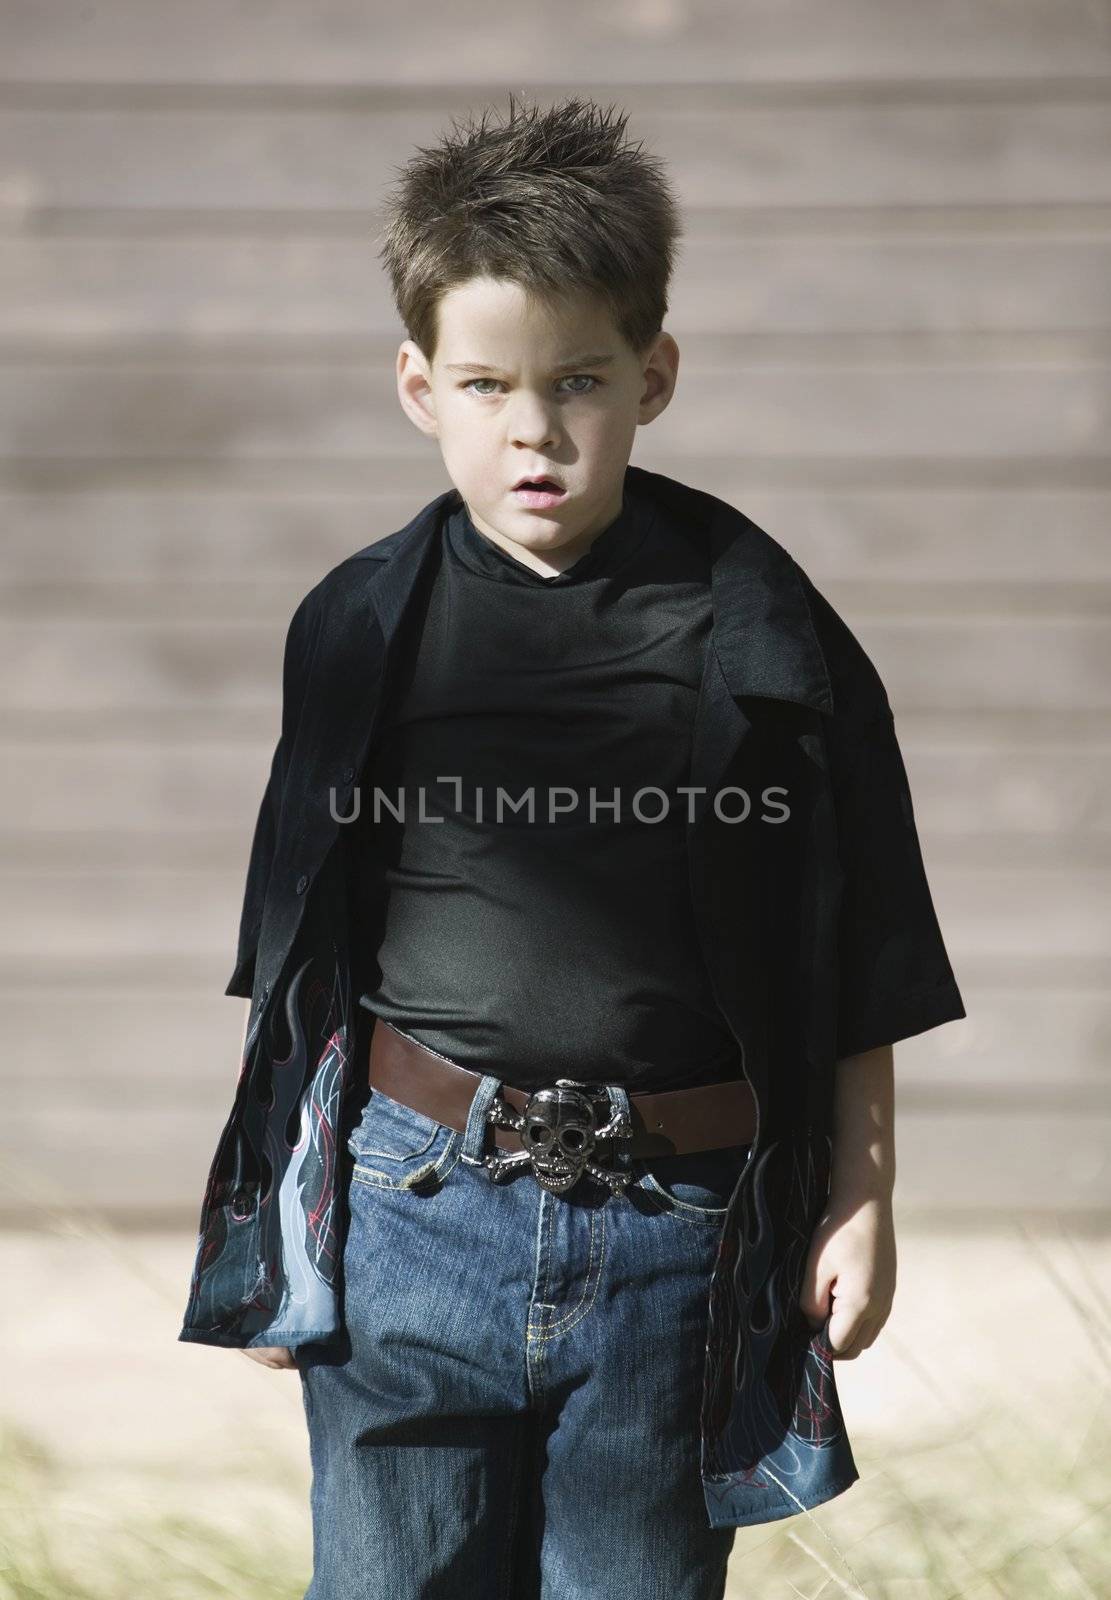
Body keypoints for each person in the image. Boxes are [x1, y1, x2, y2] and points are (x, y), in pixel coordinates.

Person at [179, 94, 966, 1598]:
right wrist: (290, 1228)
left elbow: (862, 931)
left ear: (653, 376)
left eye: (579, 380)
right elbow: (301, 947)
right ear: (420, 386)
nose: (534, 427)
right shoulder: (359, 626)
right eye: (486, 384)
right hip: (412, 1225)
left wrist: (863, 1192)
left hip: (678, 1238)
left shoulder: (766, 631)